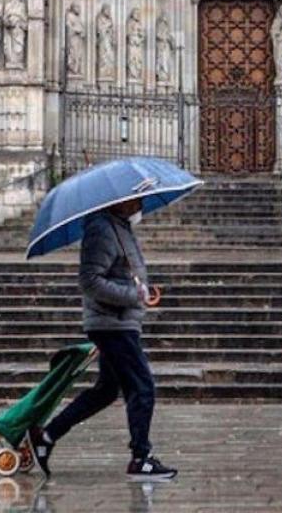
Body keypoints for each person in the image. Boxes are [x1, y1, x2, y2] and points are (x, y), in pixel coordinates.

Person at [29, 198, 177, 482]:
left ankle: (46, 436)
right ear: (120, 202)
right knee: (142, 387)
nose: (141, 205)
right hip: (112, 324)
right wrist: (134, 295)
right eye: (136, 199)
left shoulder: (119, 227)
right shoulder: (102, 229)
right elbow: (90, 281)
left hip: (120, 322)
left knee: (106, 390)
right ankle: (140, 459)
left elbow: (119, 273)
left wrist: (139, 290)